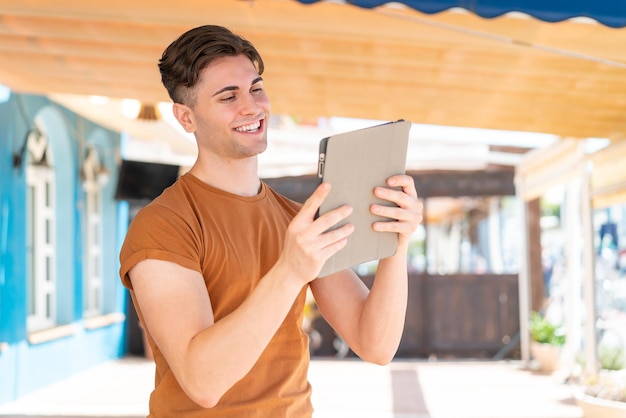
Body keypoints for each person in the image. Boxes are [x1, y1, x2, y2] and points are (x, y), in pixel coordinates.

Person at [119, 24, 423, 417]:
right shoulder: (162, 225)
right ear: (186, 117)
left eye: (256, 89)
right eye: (228, 96)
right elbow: (203, 381)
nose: (252, 106)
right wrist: (291, 270)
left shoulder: (296, 220)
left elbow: (375, 344)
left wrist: (396, 243)